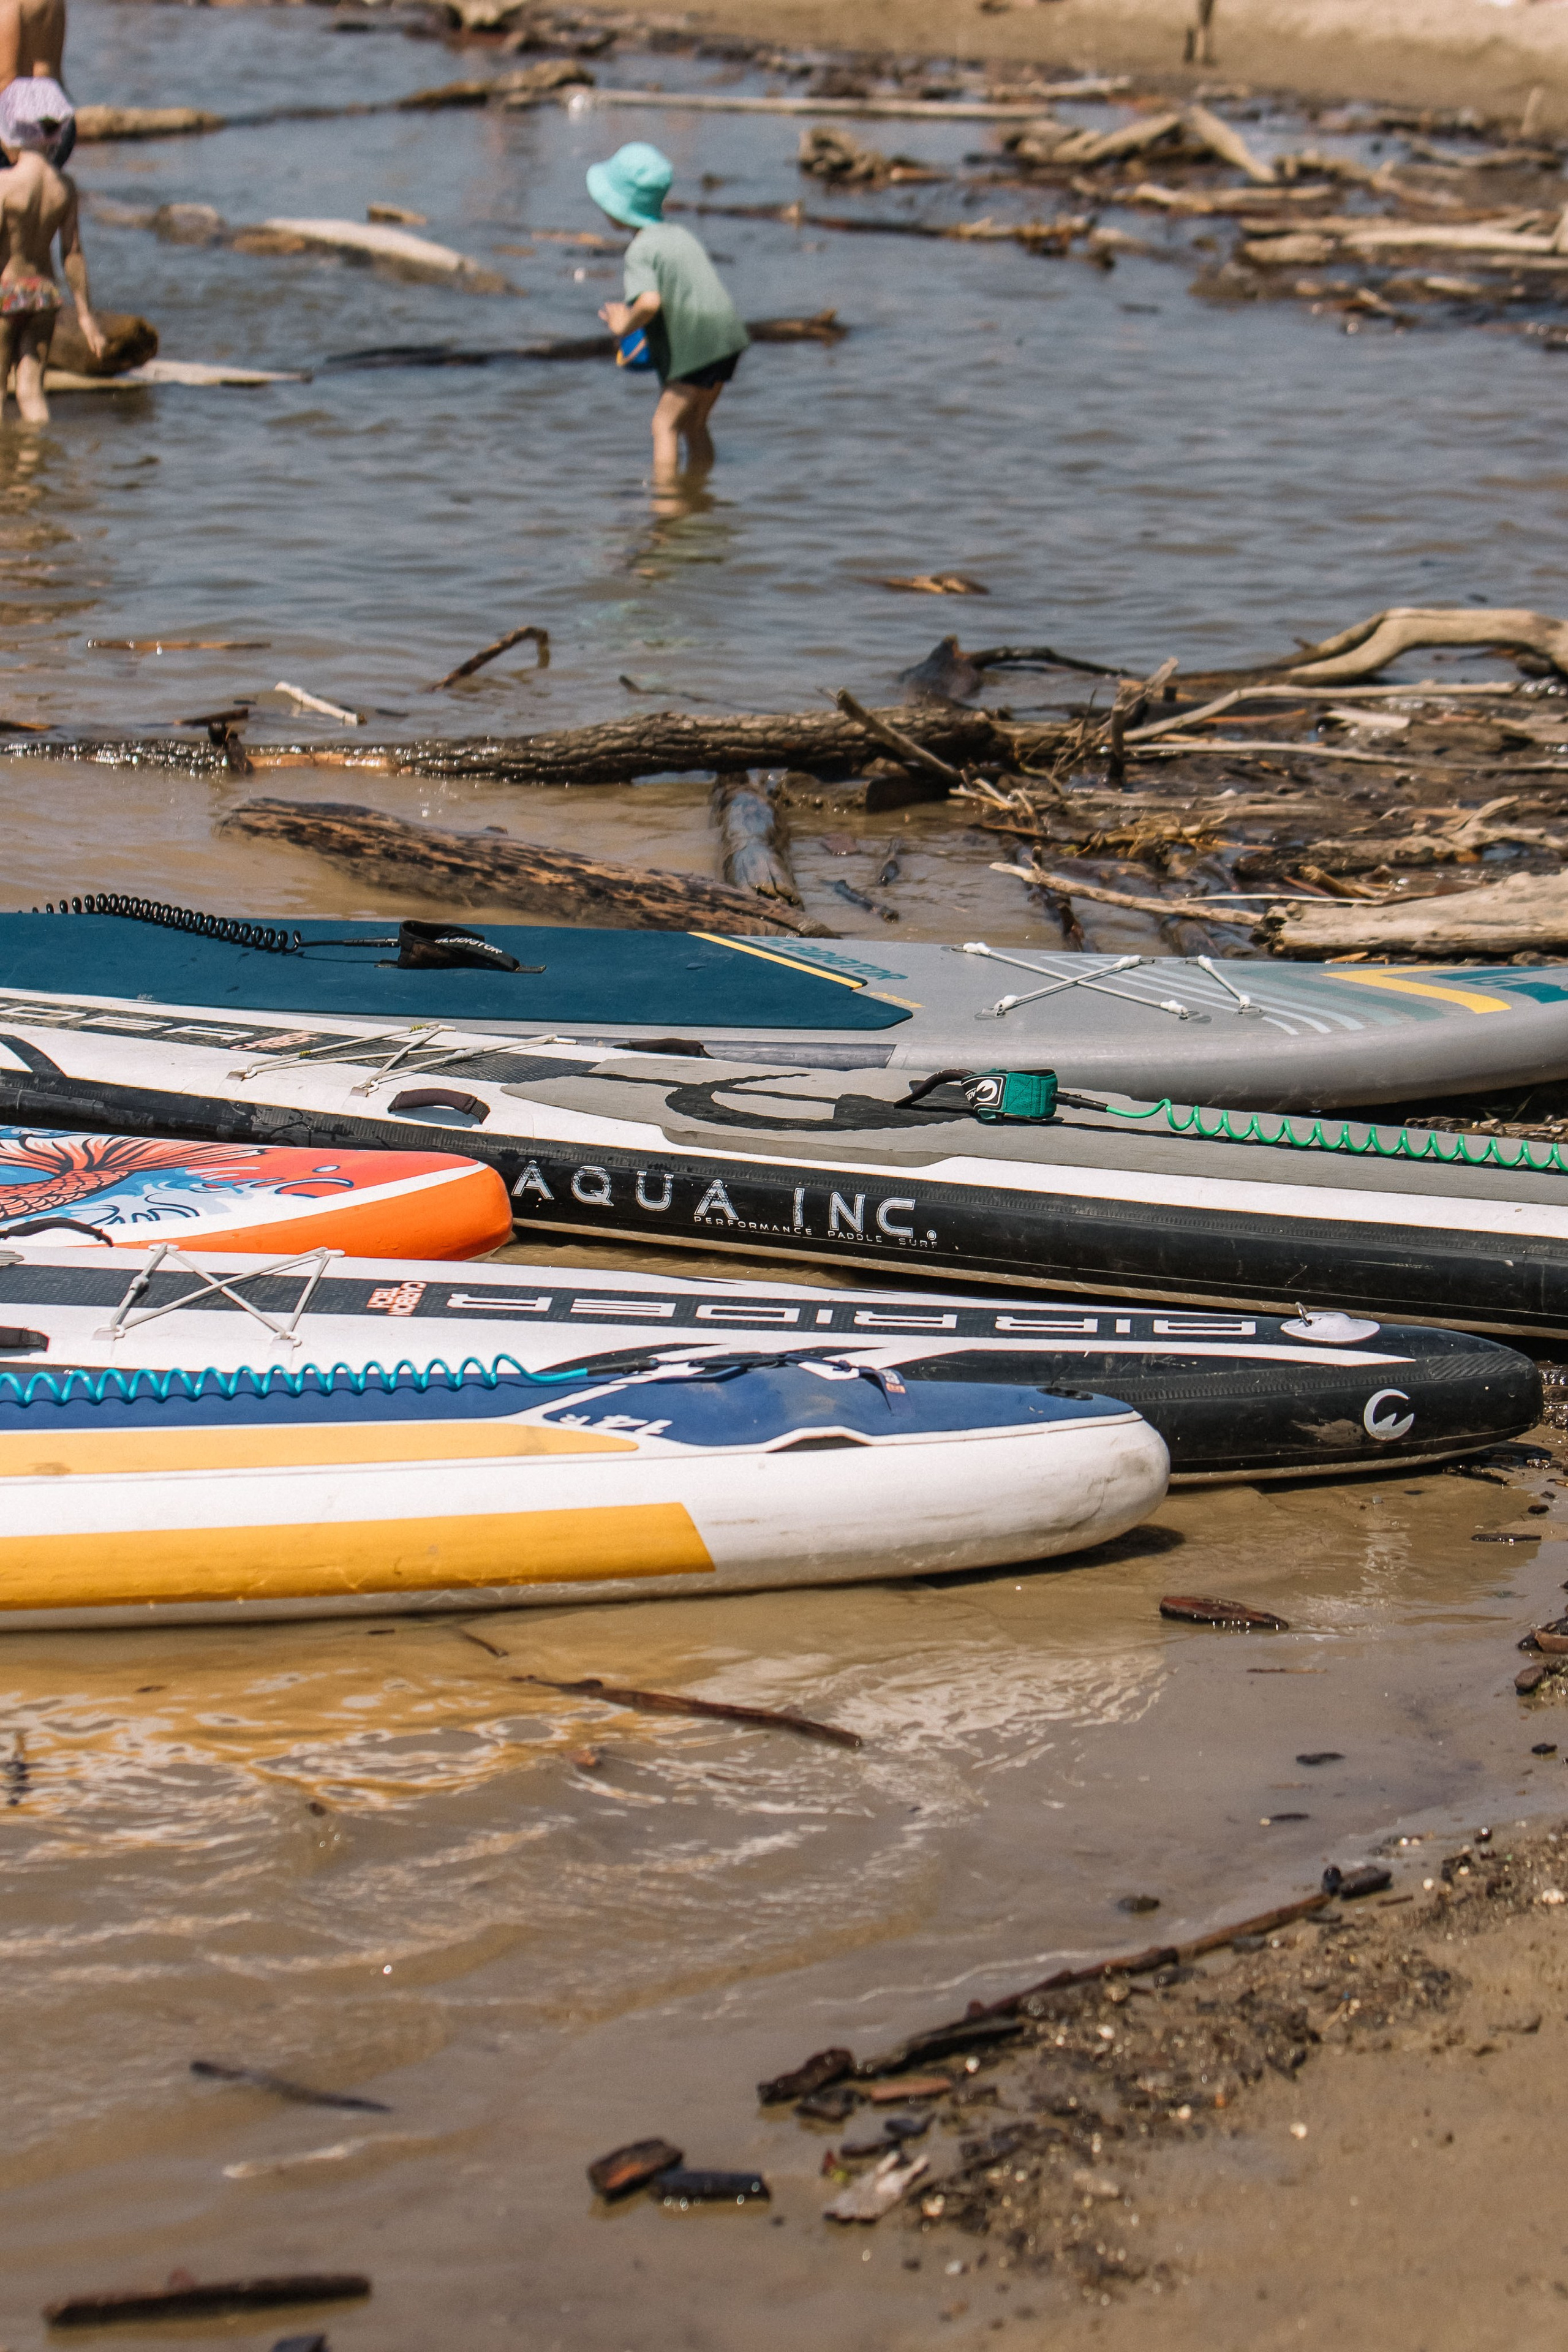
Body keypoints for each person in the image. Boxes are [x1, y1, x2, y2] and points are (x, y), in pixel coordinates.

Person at [587, 141, 748, 481]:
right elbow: (690, 296)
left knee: (664, 425)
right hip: (728, 339)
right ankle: (698, 493)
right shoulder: (679, 235)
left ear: (617, 208)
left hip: (697, 346)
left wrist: (623, 326)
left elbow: (649, 303)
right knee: (694, 424)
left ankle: (666, 514)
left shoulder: (641, 250)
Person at [0, 76, 100, 423]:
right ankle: (36, 468)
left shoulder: (5, 185)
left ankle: (11, 467)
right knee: (31, 390)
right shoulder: (65, 187)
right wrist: (86, 316)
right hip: (44, 295)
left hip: (6, 293)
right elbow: (72, 252)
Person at [0, 0, 66, 107]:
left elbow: (6, 78)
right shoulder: (55, 3)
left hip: (22, 107)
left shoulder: (9, 3)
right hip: (54, 99)